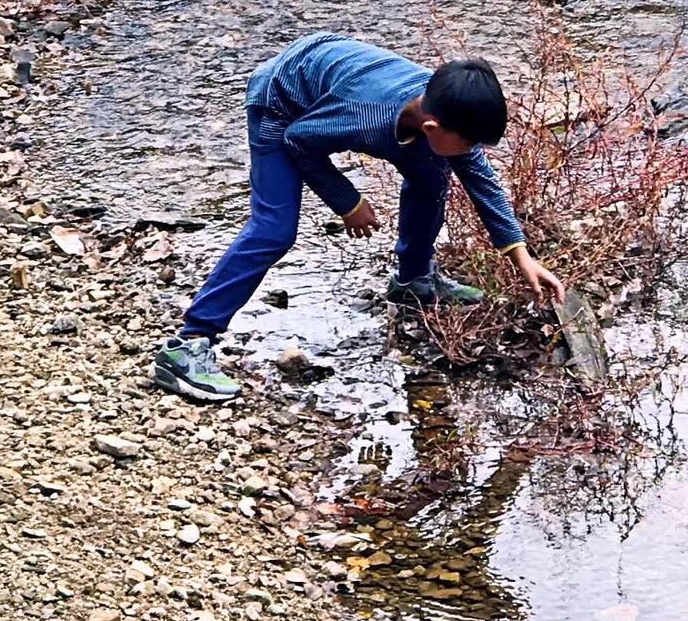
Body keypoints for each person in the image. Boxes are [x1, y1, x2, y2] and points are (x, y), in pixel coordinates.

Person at [154, 34, 565, 402]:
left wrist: (521, 256)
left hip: (333, 83)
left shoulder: (442, 109)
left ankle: (413, 281)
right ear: (432, 124)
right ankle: (189, 344)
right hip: (281, 103)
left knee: (432, 175)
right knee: (274, 229)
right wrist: (347, 202)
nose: (474, 150)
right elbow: (299, 141)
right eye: (470, 141)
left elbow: (482, 182)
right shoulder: (364, 114)